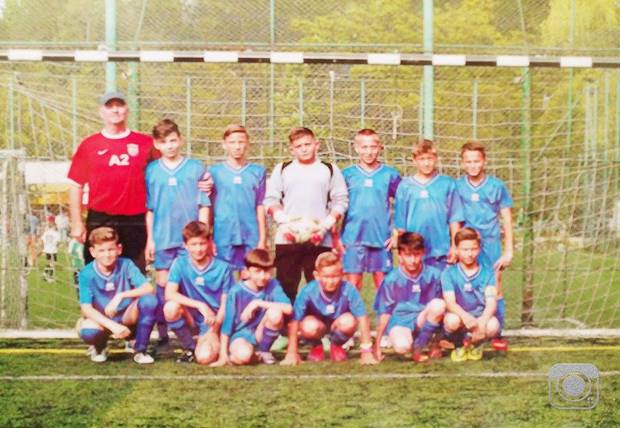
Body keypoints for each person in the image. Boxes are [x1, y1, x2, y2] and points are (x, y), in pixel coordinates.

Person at [68, 91, 156, 273]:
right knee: (98, 273)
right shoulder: (89, 145)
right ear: (101, 111)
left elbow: (166, 170)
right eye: (110, 106)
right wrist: (76, 222)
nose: (115, 110)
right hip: (101, 218)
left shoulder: (145, 143)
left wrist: (201, 180)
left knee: (135, 273)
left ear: (127, 109)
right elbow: (76, 185)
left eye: (120, 105)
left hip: (135, 219)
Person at [145, 118, 210, 351]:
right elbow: (150, 209)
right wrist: (150, 239)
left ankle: (197, 330)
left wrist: (203, 235)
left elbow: (204, 204)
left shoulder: (195, 167)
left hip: (190, 239)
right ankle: (163, 334)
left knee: (190, 283)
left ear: (180, 140)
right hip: (163, 237)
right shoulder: (152, 170)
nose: (170, 146)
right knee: (163, 284)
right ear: (157, 144)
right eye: (164, 142)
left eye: (173, 140)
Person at [264, 127, 348, 303]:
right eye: (298, 146)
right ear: (292, 149)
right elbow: (271, 200)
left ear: (316, 144)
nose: (303, 149)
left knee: (319, 286)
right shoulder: (283, 169)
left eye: (307, 144)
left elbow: (341, 201)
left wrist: (324, 227)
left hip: (319, 238)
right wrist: (285, 225)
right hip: (288, 238)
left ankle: (318, 318)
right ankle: (286, 319)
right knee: (286, 287)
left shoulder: (329, 169)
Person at [456, 141, 513, 350]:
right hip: (467, 246)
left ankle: (496, 333)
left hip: (490, 244)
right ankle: (465, 331)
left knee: (495, 285)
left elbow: (506, 218)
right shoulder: (458, 186)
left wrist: (509, 250)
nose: (473, 165)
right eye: (468, 161)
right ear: (462, 163)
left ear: (484, 162)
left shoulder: (496, 186)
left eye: (476, 161)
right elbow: (454, 218)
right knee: (465, 286)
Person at [76, 227, 157, 364]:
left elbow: (149, 288)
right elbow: (86, 308)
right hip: (103, 320)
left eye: (111, 249)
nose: (107, 255)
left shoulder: (126, 264)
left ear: (119, 249)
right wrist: (113, 326)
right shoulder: (86, 273)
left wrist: (120, 295)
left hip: (126, 316)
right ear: (92, 252)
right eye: (101, 250)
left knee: (149, 301)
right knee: (89, 331)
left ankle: (140, 350)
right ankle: (100, 347)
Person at [280, 252, 377, 365]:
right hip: (316, 325)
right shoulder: (308, 291)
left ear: (342, 274)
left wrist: (366, 351)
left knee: (349, 321)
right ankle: (316, 346)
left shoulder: (349, 289)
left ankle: (336, 345)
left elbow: (362, 317)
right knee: (308, 326)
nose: (330, 281)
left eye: (335, 276)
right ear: (317, 275)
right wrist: (291, 352)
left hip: (338, 324)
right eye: (326, 277)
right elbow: (295, 321)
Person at [163, 221, 235, 364]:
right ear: (185, 245)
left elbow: (226, 304)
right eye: (193, 244)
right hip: (192, 317)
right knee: (170, 308)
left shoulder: (223, 268)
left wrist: (214, 329)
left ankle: (214, 340)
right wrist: (201, 305)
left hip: (214, 321)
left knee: (204, 358)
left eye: (202, 244)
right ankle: (189, 346)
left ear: (209, 242)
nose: (198, 249)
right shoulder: (179, 263)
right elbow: (169, 294)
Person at [339, 129, 401, 290]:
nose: (369, 152)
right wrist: (336, 237)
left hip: (381, 238)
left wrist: (397, 232)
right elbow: (338, 205)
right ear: (356, 148)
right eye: (364, 147)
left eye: (373, 147)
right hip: (353, 237)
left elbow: (402, 203)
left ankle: (384, 309)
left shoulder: (390, 174)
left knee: (384, 287)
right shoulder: (347, 175)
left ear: (380, 147)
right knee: (352, 286)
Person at [393, 139, 464, 272]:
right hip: (414, 251)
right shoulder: (405, 186)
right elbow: (401, 225)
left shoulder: (447, 183)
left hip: (441, 251)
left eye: (430, 158)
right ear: (414, 160)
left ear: (436, 158)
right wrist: (402, 252)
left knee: (442, 284)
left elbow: (454, 218)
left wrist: (455, 246)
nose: (426, 163)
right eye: (422, 159)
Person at [213, 249, 292, 366]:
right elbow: (227, 325)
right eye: (257, 271)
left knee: (275, 312)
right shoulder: (236, 292)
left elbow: (288, 308)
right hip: (240, 335)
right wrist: (223, 354)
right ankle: (248, 355)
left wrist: (257, 303)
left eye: (267, 271)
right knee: (243, 355)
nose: (263, 276)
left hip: (260, 332)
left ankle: (264, 351)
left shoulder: (273, 284)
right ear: (247, 272)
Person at [373, 232, 444, 362]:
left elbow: (441, 312)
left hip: (422, 319)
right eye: (407, 255)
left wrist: (437, 342)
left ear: (423, 253)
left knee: (439, 305)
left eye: (416, 254)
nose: (412, 260)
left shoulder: (434, 275)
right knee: (402, 347)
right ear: (399, 255)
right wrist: (377, 345)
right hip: (400, 321)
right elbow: (385, 312)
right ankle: (409, 340)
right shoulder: (391, 280)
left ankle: (422, 345)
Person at [208, 125, 267, 272]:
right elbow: (208, 207)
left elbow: (260, 205)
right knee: (224, 275)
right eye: (232, 142)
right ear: (224, 145)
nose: (237, 146)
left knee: (250, 275)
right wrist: (208, 237)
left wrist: (262, 238)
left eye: (241, 142)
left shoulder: (258, 172)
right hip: (223, 234)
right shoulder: (214, 172)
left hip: (250, 234)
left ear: (248, 143)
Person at [442, 227, 500, 362]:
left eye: (473, 249)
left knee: (493, 326)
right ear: (457, 250)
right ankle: (459, 345)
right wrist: (465, 317)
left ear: (479, 249)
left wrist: (482, 322)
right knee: (451, 321)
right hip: (460, 317)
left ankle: (476, 345)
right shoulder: (448, 273)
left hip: (479, 317)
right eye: (465, 249)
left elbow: (491, 303)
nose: (469, 254)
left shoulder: (488, 273)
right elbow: (450, 303)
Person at [41, 216, 61, 282]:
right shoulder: (56, 233)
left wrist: (44, 247)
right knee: (53, 263)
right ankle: (49, 276)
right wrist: (57, 246)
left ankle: (46, 274)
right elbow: (58, 242)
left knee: (49, 262)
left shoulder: (46, 232)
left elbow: (42, 240)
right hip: (53, 250)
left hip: (47, 249)